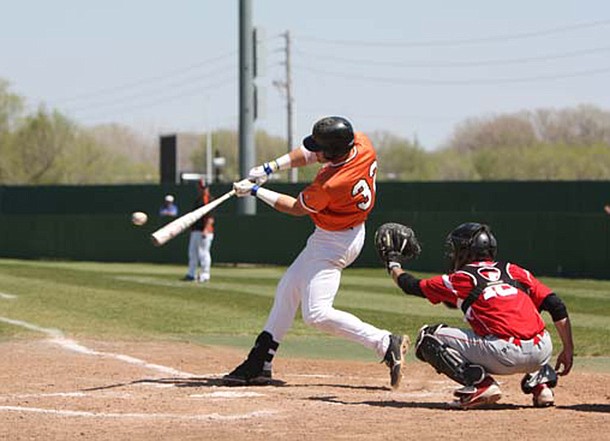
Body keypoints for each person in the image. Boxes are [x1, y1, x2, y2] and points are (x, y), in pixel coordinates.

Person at [223, 116, 408, 388]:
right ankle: (260, 361)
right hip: (339, 232)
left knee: (317, 314)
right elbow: (311, 154)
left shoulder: (331, 184)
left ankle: (384, 342)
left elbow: (296, 208)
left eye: (321, 149)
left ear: (333, 152)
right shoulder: (361, 142)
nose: (315, 152)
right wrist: (270, 167)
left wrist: (256, 191)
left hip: (335, 242)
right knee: (288, 289)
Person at [382, 222, 574, 409]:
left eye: (456, 249)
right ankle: (541, 385)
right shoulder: (514, 270)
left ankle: (482, 384)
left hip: (503, 353)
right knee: (523, 324)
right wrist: (568, 349)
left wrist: (393, 263)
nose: (453, 254)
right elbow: (556, 306)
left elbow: (412, 286)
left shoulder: (462, 278)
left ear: (466, 251)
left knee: (427, 337)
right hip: (542, 350)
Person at [182, 180, 215, 283]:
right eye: (201, 187)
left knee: (203, 253)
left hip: (204, 231)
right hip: (196, 230)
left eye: (204, 187)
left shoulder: (209, 199)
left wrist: (206, 229)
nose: (202, 189)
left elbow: (211, 218)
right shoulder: (198, 199)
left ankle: (205, 275)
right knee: (192, 253)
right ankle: (191, 274)